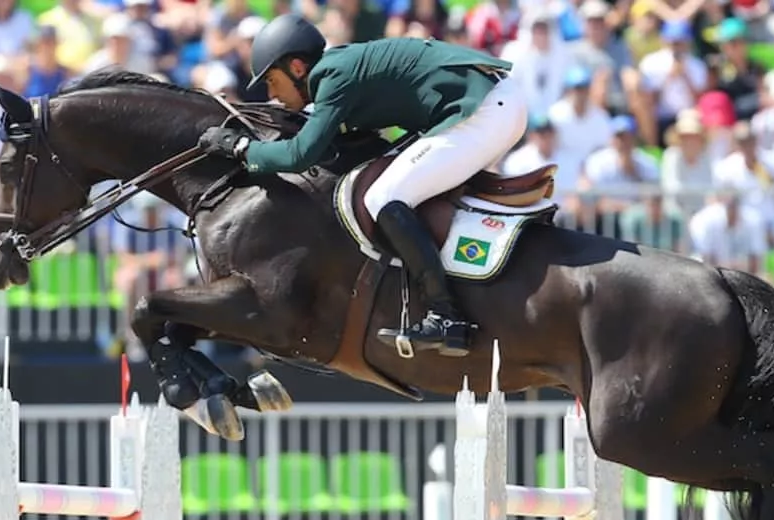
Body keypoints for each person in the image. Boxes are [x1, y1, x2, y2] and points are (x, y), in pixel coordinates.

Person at [196, 14, 529, 358]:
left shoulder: (331, 76)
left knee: (383, 197)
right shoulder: (335, 72)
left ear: (296, 67)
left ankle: (446, 315)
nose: (271, 94)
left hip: (484, 110)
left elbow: (300, 155)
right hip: (489, 104)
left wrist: (240, 148)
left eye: (271, 81)